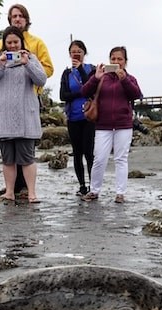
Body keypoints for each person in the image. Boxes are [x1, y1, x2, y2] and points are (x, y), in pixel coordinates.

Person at [0, 3, 53, 198]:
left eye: (20, 16)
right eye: (13, 16)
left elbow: (47, 70)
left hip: (28, 96)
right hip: (5, 103)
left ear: (26, 20)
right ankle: (12, 188)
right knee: (9, 150)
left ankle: (27, 188)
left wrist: (30, 67)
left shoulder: (36, 43)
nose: (17, 19)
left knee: (25, 149)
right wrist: (1, 64)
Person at [0, 26, 47, 203]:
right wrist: (1, 65)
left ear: (21, 42)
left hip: (26, 115)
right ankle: (9, 191)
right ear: (4, 43)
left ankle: (32, 192)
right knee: (8, 158)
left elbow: (41, 80)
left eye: (15, 42)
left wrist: (28, 63)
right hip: (3, 116)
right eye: (9, 42)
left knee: (27, 157)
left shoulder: (30, 58)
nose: (12, 46)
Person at [80, 46, 142, 203]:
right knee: (99, 159)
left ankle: (120, 193)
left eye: (119, 59)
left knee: (121, 159)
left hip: (123, 124)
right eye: (113, 59)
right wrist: (95, 77)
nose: (116, 62)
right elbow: (84, 91)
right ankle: (94, 190)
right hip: (103, 125)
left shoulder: (130, 78)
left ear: (125, 62)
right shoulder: (102, 77)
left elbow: (136, 94)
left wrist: (124, 79)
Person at [60, 39, 95, 196]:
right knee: (77, 152)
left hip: (89, 117)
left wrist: (81, 69)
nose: (76, 54)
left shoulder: (92, 69)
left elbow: (92, 88)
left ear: (84, 53)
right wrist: (79, 93)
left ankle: (94, 185)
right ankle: (82, 185)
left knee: (89, 152)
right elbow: (63, 95)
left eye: (79, 51)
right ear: (69, 54)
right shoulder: (67, 74)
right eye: (73, 52)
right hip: (73, 118)